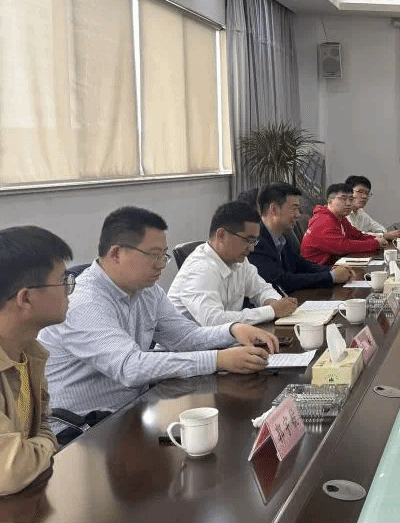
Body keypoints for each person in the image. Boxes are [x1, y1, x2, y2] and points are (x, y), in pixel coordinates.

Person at [39, 207, 279, 444]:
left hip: (132, 413)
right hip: (84, 433)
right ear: (116, 254)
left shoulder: (147, 292)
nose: (162, 265)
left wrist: (233, 330)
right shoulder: (84, 302)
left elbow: (185, 337)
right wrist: (218, 360)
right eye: (154, 255)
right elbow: (131, 367)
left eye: (164, 255)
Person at [0, 227, 72, 495]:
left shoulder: (29, 351)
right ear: (26, 298)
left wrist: (34, 447)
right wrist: (44, 446)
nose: (69, 291)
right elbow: (9, 471)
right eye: (63, 281)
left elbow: (42, 424)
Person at [169, 201, 298, 326]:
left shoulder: (238, 260)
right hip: (188, 341)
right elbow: (213, 320)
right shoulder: (200, 268)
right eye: (248, 240)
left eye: (254, 241)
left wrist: (273, 302)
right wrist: (271, 311)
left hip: (225, 338)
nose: (252, 248)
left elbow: (261, 289)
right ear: (221, 235)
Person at [248, 182, 352, 293]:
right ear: (274, 209)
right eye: (293, 209)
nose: (298, 214)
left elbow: (300, 264)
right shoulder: (255, 242)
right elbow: (281, 281)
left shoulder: (282, 236)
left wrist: (331, 270)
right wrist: (331, 277)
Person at [300, 183, 387, 265]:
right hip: (318, 270)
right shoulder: (323, 220)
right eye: (343, 199)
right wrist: (375, 243)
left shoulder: (340, 218)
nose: (348, 204)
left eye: (351, 199)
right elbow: (342, 246)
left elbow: (357, 235)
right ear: (330, 201)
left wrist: (377, 239)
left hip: (333, 264)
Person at [345, 175, 400, 240]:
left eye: (367, 193)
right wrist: (383, 235)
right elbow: (355, 235)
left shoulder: (360, 211)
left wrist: (383, 234)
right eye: (360, 192)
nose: (364, 196)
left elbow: (377, 227)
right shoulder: (344, 213)